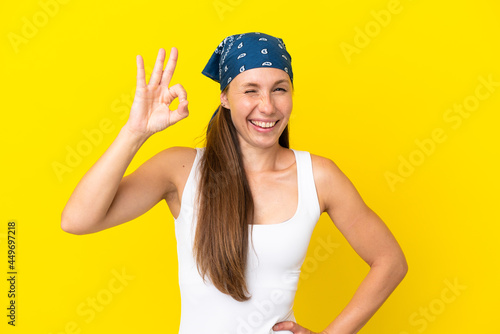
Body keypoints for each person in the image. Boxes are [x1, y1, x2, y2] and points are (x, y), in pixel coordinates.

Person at [61, 32, 408, 334]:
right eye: (250, 90)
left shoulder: (319, 176)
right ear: (225, 98)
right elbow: (78, 220)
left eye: (280, 89)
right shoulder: (180, 169)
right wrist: (135, 132)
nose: (267, 106)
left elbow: (390, 260)